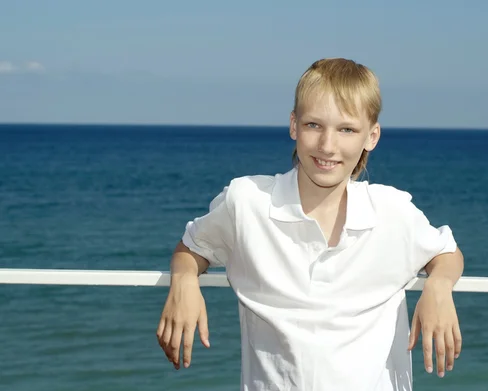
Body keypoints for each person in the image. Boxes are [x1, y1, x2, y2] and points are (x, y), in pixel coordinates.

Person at [156, 58, 464, 391]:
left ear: (371, 136)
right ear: (293, 125)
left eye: (346, 129)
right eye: (314, 125)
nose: (327, 146)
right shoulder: (247, 202)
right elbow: (191, 248)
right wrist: (184, 280)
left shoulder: (391, 210)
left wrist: (439, 287)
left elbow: (446, 253)